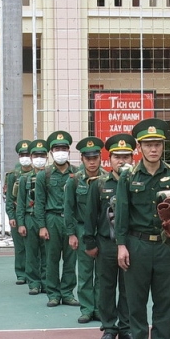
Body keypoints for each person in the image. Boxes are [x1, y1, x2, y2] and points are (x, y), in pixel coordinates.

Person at [115, 118, 170, 339]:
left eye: (157, 144)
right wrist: (121, 245)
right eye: (148, 144)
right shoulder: (129, 176)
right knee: (137, 299)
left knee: (166, 300)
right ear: (139, 148)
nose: (153, 149)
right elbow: (121, 212)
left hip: (166, 246)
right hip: (137, 244)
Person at [84, 134, 134, 339]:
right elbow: (90, 215)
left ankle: (126, 327)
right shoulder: (99, 184)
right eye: (117, 157)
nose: (122, 161)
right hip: (106, 243)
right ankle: (109, 327)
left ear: (133, 158)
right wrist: (90, 241)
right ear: (109, 159)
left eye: (126, 156)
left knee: (128, 287)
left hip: (131, 243)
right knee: (105, 287)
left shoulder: (136, 182)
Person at [35, 131, 79, 309]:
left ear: (68, 151)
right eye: (56, 149)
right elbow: (39, 202)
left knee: (70, 259)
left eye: (63, 148)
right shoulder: (43, 175)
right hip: (51, 219)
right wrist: (41, 226)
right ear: (51, 152)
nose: (60, 151)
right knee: (51, 259)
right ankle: (53, 294)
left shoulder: (77, 173)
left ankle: (67, 293)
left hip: (71, 221)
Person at [66, 136, 104, 323]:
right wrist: (71, 234)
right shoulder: (75, 181)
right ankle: (87, 309)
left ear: (100, 158)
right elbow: (69, 208)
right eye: (88, 158)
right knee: (85, 272)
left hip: (103, 231)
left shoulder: (107, 179)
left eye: (95, 158)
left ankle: (100, 308)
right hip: (82, 231)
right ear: (82, 159)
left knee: (103, 273)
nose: (91, 162)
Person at [16, 140, 49, 296]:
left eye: (42, 155)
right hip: (30, 218)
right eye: (36, 155)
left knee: (47, 252)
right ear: (31, 156)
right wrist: (21, 223)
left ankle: (46, 281)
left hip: (47, 218)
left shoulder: (49, 176)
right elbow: (20, 203)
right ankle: (34, 283)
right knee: (31, 253)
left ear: (47, 157)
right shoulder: (25, 178)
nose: (39, 158)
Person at [3, 140, 32, 286]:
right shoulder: (13, 175)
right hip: (17, 213)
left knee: (34, 247)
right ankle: (21, 273)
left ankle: (34, 273)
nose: (25, 157)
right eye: (22, 154)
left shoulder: (39, 173)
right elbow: (9, 199)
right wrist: (11, 216)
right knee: (20, 246)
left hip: (33, 214)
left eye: (28, 154)